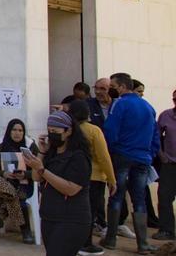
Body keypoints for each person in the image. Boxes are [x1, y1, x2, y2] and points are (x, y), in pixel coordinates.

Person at [101, 72, 160, 253]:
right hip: (142, 157)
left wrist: (109, 152)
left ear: (122, 87)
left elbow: (110, 130)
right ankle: (142, 244)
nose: (111, 89)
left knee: (116, 195)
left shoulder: (119, 104)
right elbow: (155, 135)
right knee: (139, 199)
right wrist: (149, 154)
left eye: (112, 85)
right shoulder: (148, 107)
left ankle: (111, 239)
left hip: (121, 155)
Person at [23, 111, 91, 256]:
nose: (52, 134)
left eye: (56, 131)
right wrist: (41, 153)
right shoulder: (52, 153)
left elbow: (71, 189)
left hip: (71, 219)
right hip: (50, 216)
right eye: (50, 131)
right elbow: (36, 178)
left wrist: (42, 170)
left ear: (68, 131)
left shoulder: (78, 157)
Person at [0, 119, 38, 243]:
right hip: (2, 183)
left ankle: (25, 230)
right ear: (9, 131)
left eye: (20, 130)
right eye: (14, 130)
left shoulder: (30, 146)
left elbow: (39, 169)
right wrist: (4, 173)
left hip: (23, 184)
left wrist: (25, 174)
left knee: (20, 201)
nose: (17, 133)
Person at [69, 99, 111, 255]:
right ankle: (86, 243)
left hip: (71, 176)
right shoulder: (94, 131)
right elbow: (103, 157)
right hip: (94, 176)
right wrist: (111, 179)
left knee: (73, 211)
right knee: (90, 212)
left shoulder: (68, 130)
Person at [156, 89, 176, 242]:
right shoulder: (166, 115)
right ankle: (166, 230)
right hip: (169, 164)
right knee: (164, 197)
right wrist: (161, 155)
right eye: (175, 99)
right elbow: (155, 136)